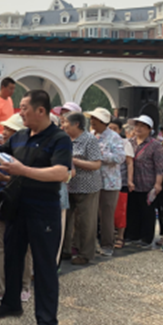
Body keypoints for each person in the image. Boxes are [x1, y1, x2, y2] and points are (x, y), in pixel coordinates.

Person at [0, 90, 72, 325]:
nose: (20, 112)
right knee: (12, 258)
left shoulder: (59, 138)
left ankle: (47, 322)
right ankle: (10, 303)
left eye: (24, 108)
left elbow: (61, 173)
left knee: (44, 266)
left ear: (41, 110)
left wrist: (22, 170)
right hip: (16, 207)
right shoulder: (20, 136)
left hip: (43, 210)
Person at [0, 113, 33, 303]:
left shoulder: (29, 153)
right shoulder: (1, 150)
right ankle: (0, 288)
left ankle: (24, 286)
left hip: (23, 202)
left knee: (24, 247)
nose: (5, 132)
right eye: (5, 129)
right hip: (3, 202)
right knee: (0, 247)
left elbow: (30, 179)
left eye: (9, 130)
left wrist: (6, 178)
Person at [60, 112, 102, 265]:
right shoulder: (64, 138)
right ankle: (65, 250)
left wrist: (74, 161)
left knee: (86, 222)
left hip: (87, 187)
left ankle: (85, 254)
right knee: (66, 220)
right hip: (68, 186)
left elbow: (96, 164)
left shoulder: (89, 139)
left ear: (76, 124)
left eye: (65, 122)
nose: (62, 126)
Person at [85, 108, 125, 257]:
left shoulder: (114, 137)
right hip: (91, 180)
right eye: (91, 118)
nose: (92, 122)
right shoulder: (90, 135)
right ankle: (91, 244)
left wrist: (100, 155)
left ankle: (107, 244)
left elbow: (120, 157)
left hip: (109, 182)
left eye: (95, 119)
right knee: (91, 214)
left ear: (103, 121)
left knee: (106, 215)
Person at [124, 115, 163, 247]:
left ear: (149, 129)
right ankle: (132, 234)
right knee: (132, 209)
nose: (138, 128)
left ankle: (146, 238)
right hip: (131, 182)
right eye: (137, 125)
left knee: (147, 211)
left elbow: (160, 167)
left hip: (147, 182)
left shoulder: (155, 145)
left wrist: (158, 184)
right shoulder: (129, 142)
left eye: (142, 126)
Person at [109, 119, 134, 249]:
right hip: (105, 180)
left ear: (120, 130)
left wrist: (130, 180)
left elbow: (129, 163)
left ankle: (120, 236)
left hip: (121, 180)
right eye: (110, 128)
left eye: (115, 128)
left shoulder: (125, 143)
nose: (112, 131)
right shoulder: (101, 140)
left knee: (120, 210)